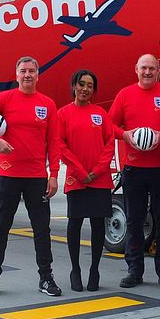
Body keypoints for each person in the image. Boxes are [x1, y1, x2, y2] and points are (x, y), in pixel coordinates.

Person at [0, 56, 62, 298]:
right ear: (17, 75)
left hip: (37, 177)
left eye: (32, 71)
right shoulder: (5, 98)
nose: (28, 75)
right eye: (23, 71)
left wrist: (54, 175)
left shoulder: (47, 104)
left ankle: (46, 277)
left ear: (38, 75)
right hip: (9, 175)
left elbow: (54, 141)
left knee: (42, 229)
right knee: (1, 228)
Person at [109, 54, 160, 289]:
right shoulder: (125, 95)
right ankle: (134, 270)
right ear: (136, 70)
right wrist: (126, 135)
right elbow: (110, 125)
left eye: (152, 68)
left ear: (157, 70)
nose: (148, 72)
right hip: (134, 169)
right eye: (144, 68)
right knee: (134, 221)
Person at [57, 69, 114, 292]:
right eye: (81, 84)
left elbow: (109, 143)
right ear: (74, 86)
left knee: (98, 224)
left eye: (90, 86)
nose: (85, 89)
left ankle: (94, 270)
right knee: (75, 223)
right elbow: (60, 145)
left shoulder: (101, 114)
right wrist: (80, 171)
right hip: (76, 178)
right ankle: (75, 270)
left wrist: (98, 170)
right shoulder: (63, 114)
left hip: (99, 179)